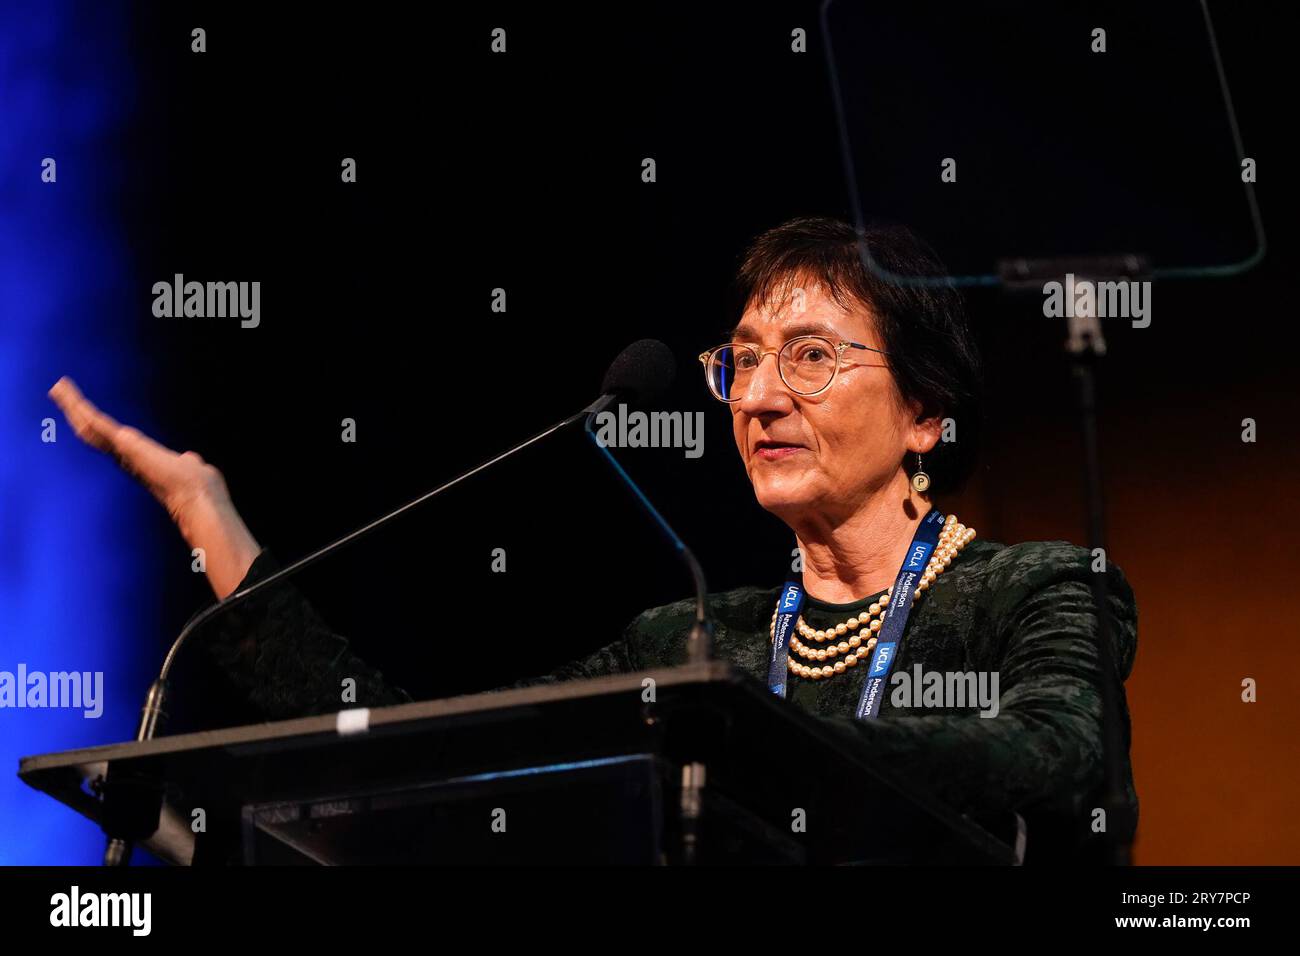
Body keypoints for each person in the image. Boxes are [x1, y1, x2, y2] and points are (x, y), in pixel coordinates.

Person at [48, 216, 1138, 862]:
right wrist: (213, 520)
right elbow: (432, 745)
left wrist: (749, 739)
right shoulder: (695, 636)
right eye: (741, 359)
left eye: (808, 356)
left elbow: (1056, 756)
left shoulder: (1035, 589)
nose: (756, 396)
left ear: (923, 414)